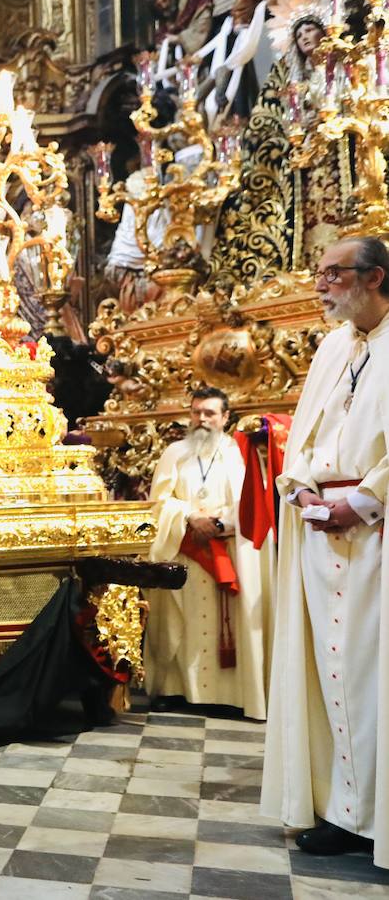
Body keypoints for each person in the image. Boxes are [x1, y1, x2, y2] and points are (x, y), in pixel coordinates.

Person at [263, 236, 389, 864]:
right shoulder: (333, 348)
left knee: (375, 677)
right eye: (320, 273)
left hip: (378, 534)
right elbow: (308, 431)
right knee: (331, 673)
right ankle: (348, 809)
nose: (321, 285)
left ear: (375, 277)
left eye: (333, 274)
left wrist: (364, 499)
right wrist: (301, 482)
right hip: (322, 532)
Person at [144, 387, 267, 719]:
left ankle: (231, 694)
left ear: (226, 417)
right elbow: (158, 502)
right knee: (175, 620)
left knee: (228, 621)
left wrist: (223, 523)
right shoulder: (174, 452)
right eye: (196, 411)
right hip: (185, 548)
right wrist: (189, 516)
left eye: (210, 413)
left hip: (228, 548)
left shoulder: (240, 452)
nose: (201, 419)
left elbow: (253, 500)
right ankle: (173, 690)